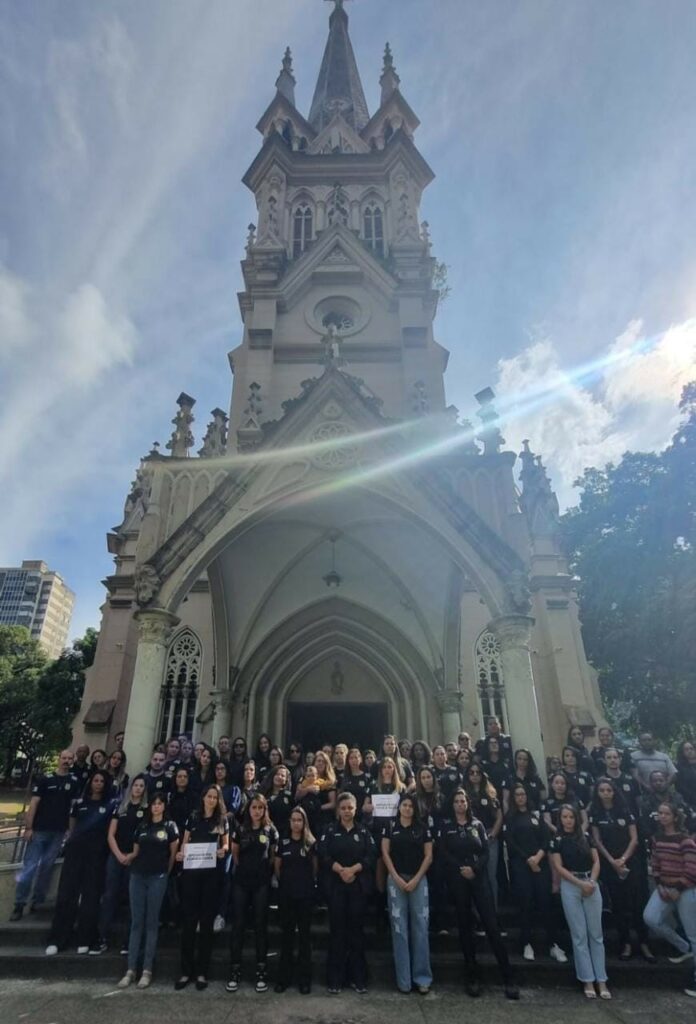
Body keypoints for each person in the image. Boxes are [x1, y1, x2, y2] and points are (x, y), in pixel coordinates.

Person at [438, 789, 519, 999]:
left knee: (491, 926)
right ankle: (472, 975)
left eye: (462, 801)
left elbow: (485, 851)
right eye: (456, 801)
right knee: (465, 928)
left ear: (468, 803)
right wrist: (461, 868)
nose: (459, 804)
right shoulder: (447, 828)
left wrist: (474, 868)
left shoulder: (478, 825)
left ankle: (508, 977)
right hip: (459, 880)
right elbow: (444, 852)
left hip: (478, 879)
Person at [45, 770, 114, 955]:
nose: (98, 783)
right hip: (76, 853)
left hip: (97, 854)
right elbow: (72, 827)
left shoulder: (110, 805)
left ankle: (85, 938)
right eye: (95, 780)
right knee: (67, 894)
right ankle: (58, 939)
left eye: (101, 781)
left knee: (91, 896)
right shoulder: (80, 803)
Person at [118, 793, 179, 989]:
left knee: (152, 922)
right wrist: (127, 858)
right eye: (154, 804)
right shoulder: (142, 826)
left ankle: (147, 969)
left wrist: (165, 872)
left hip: (158, 877)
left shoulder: (170, 826)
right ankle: (130, 969)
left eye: (160, 804)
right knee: (137, 922)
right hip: (138, 875)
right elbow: (136, 851)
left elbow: (172, 853)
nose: (156, 807)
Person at [589, 779, 654, 961]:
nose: (606, 793)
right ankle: (625, 943)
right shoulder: (595, 813)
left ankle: (644, 942)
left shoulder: (625, 810)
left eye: (609, 789)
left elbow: (634, 838)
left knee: (637, 903)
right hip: (609, 864)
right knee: (618, 904)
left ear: (614, 791)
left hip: (630, 861)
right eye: (602, 790)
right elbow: (597, 840)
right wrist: (612, 862)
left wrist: (623, 859)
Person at [319, 792, 376, 995]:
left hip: (357, 886)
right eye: (342, 808)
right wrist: (340, 870)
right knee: (338, 933)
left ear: (355, 809)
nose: (346, 811)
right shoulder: (329, 830)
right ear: (338, 810)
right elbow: (323, 854)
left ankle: (358, 978)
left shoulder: (363, 831)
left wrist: (353, 870)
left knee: (356, 933)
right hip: (336, 886)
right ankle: (335, 979)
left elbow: (371, 855)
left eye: (350, 808)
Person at [550, 804, 609, 998]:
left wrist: (591, 881)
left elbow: (596, 861)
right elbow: (559, 867)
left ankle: (602, 979)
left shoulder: (586, 838)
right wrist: (579, 883)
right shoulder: (557, 840)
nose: (568, 820)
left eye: (571, 817)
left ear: (576, 819)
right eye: (564, 817)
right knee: (579, 934)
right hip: (571, 885)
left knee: (596, 934)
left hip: (590, 883)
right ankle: (587, 979)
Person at [11, 749, 77, 921]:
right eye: (64, 758)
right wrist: (28, 827)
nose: (66, 761)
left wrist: (69, 830)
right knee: (30, 866)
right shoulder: (45, 779)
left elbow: (72, 809)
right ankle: (19, 903)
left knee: (46, 868)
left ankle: (37, 901)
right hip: (39, 830)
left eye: (70, 759)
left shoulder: (73, 781)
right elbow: (34, 804)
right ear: (58, 759)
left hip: (58, 832)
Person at [175, 784, 229, 990]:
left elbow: (226, 844)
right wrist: (180, 854)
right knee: (189, 923)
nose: (212, 800)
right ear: (203, 797)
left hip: (211, 876)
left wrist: (223, 850)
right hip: (191, 874)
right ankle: (185, 971)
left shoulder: (222, 820)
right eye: (209, 796)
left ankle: (201, 973)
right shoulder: (193, 817)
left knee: (206, 924)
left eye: (216, 797)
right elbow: (184, 841)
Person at [503, 783, 565, 963]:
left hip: (541, 864)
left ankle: (553, 944)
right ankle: (526, 943)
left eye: (523, 794)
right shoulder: (511, 817)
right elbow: (511, 842)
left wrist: (538, 856)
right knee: (526, 903)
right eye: (517, 795)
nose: (520, 797)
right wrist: (528, 860)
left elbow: (546, 839)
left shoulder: (536, 815)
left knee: (545, 903)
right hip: (521, 865)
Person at [381, 793, 433, 994]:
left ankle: (422, 978)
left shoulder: (422, 828)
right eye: (404, 805)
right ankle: (403, 980)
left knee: (420, 926)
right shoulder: (390, 826)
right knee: (399, 929)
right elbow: (385, 853)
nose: (408, 808)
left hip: (418, 880)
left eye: (411, 805)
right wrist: (396, 877)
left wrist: (416, 879)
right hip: (396, 879)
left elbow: (428, 856)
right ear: (399, 807)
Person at [643, 802, 696, 998]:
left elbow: (692, 868)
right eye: (660, 813)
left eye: (666, 813)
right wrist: (660, 885)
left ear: (675, 817)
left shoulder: (685, 840)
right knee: (650, 918)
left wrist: (679, 888)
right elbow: (655, 863)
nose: (662, 816)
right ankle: (683, 947)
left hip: (686, 890)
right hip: (664, 887)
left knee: (694, 934)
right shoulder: (656, 838)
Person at [227, 794, 279, 994]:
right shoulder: (240, 829)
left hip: (262, 883)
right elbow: (235, 853)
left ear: (265, 809)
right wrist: (245, 870)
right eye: (253, 807)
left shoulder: (271, 830)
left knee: (260, 925)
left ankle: (261, 970)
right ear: (248, 809)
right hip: (242, 882)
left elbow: (274, 855)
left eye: (260, 807)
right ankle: (234, 970)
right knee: (238, 925)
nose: (257, 811)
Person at [98, 775, 148, 954]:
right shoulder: (120, 808)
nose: (138, 788)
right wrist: (119, 854)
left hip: (136, 858)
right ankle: (101, 937)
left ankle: (128, 941)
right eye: (136, 785)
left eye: (142, 786)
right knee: (109, 894)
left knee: (131, 898)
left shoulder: (148, 810)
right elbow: (111, 834)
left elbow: (145, 835)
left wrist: (133, 854)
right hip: (116, 856)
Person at [274, 806, 318, 994]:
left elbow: (315, 869)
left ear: (304, 822)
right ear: (289, 822)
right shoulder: (282, 842)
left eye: (299, 820)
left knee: (305, 938)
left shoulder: (311, 842)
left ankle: (304, 979)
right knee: (287, 937)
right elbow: (277, 867)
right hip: (287, 896)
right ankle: (284, 978)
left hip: (305, 895)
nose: (296, 823)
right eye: (293, 820)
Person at [464, 763, 503, 908]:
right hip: (471, 839)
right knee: (474, 875)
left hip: (490, 836)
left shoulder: (491, 793)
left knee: (491, 876)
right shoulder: (463, 793)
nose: (475, 775)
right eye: (471, 772)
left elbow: (499, 816)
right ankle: (477, 916)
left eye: (478, 772)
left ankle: (494, 912)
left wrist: (493, 834)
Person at [504, 748, 546, 813]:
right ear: (515, 760)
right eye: (519, 759)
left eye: (525, 759)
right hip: (516, 815)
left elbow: (543, 799)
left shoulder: (536, 778)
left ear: (529, 761)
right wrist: (508, 818)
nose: (522, 762)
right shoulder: (509, 778)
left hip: (535, 813)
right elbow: (505, 801)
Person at [602, 747, 640, 814]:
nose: (612, 760)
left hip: (632, 818)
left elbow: (637, 801)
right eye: (609, 758)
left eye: (615, 757)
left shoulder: (631, 780)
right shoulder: (601, 781)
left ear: (620, 759)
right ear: (604, 761)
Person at [339, 748, 374, 820]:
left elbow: (370, 795)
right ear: (348, 760)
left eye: (356, 757)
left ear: (360, 759)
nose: (354, 760)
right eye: (351, 758)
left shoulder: (367, 777)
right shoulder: (343, 777)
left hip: (362, 815)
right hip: (346, 814)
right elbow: (339, 797)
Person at [479, 735, 510, 801]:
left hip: (505, 795)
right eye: (491, 743)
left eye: (495, 742)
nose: (494, 745)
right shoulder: (483, 764)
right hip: (489, 796)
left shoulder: (505, 763)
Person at [264, 766, 294, 833]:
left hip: (286, 831)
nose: (279, 777)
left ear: (286, 779)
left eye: (282, 775)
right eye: (277, 774)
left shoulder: (289, 796)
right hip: (269, 831)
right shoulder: (264, 794)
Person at [675, 740, 696, 812]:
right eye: (686, 749)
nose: (689, 751)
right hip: (689, 802)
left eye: (691, 748)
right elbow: (680, 786)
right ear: (682, 752)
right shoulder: (679, 767)